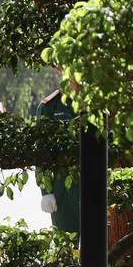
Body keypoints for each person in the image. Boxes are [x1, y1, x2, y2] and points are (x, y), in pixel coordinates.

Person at [36, 87, 81, 232]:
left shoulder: (96, 104)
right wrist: (45, 191)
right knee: (66, 247)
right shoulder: (49, 107)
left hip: (93, 186)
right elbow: (42, 150)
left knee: (97, 249)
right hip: (63, 191)